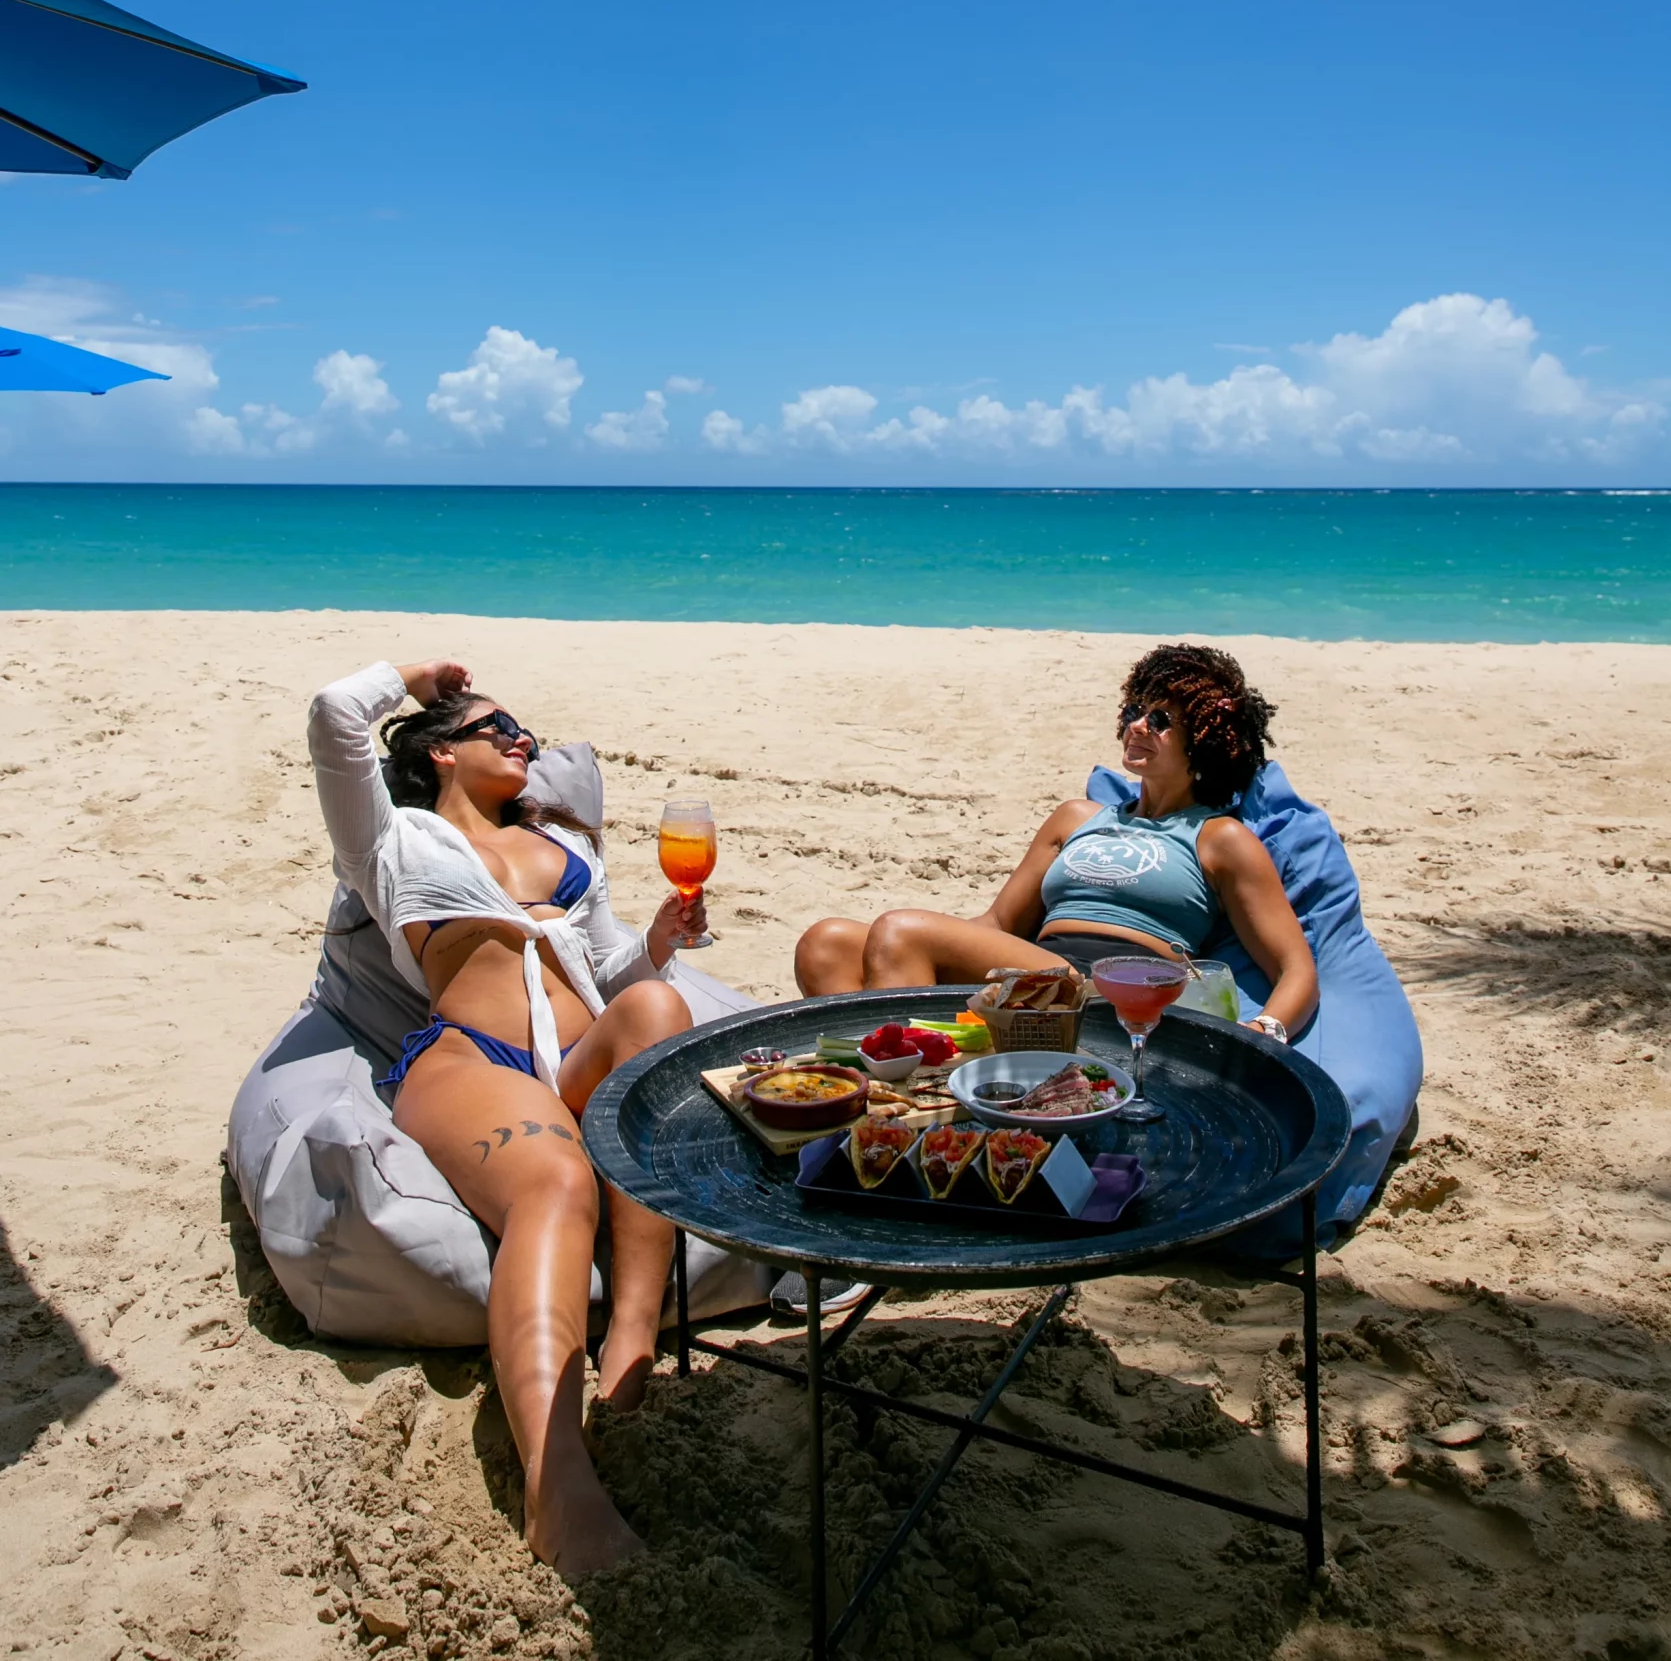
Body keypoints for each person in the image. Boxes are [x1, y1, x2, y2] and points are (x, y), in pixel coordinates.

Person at [309, 656, 698, 1581]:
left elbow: (615, 985)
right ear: (440, 753)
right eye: (498, 726)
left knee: (660, 1016)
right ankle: (554, 1484)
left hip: (572, 1061)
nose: (523, 738)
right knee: (558, 1183)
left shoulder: (569, 855)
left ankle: (632, 1343)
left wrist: (656, 946)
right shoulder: (390, 841)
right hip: (470, 1065)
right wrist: (417, 675)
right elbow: (333, 717)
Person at [794, 642, 1317, 1044]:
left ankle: (905, 1090)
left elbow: (1295, 968)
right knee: (829, 942)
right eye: (1135, 708)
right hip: (1036, 976)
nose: (1137, 724)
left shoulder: (1218, 837)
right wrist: (922, 946)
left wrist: (1268, 1028)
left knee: (899, 929)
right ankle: (876, 1079)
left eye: (1160, 720)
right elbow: (998, 925)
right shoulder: (1076, 816)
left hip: (1112, 990)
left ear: (1201, 739)